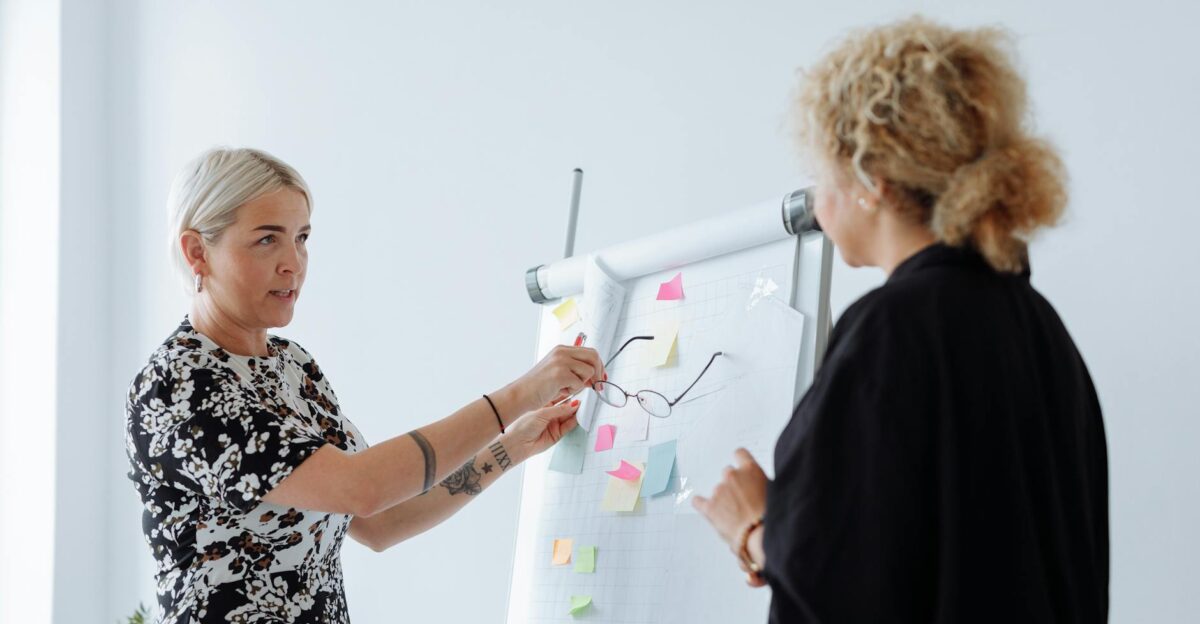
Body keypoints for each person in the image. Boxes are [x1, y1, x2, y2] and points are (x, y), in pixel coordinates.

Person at [692, 17, 1108, 623]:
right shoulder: (1041, 327)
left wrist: (754, 529)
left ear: (871, 180)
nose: (814, 201)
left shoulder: (892, 329)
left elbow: (852, 582)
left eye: (819, 175)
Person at [124, 147, 607, 623]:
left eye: (303, 237)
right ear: (197, 252)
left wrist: (512, 446)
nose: (294, 262)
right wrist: (520, 393)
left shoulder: (293, 368)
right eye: (267, 240)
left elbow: (380, 521)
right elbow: (364, 488)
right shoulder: (179, 386)